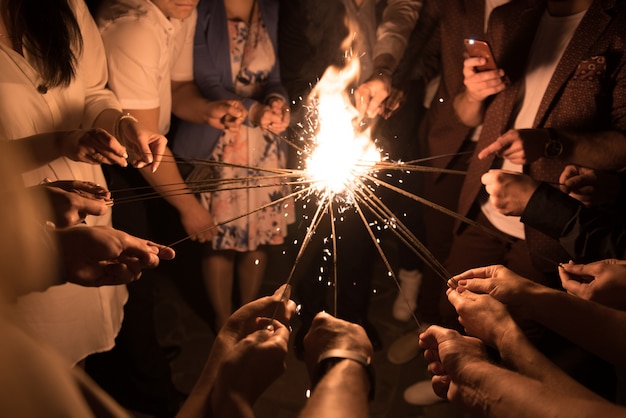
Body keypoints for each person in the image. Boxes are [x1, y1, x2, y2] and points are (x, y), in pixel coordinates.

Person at [92, 0, 247, 413]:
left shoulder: (181, 9)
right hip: (115, 166)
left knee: (143, 276)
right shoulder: (135, 30)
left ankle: (141, 361)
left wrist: (208, 110)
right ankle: (147, 390)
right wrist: (189, 207)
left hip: (150, 156)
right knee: (128, 280)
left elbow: (178, 92)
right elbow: (138, 144)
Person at [0, 0, 172, 367]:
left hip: (88, 225)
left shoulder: (67, 6)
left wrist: (121, 125)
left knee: (79, 360)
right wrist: (59, 142)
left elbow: (93, 92)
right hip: (18, 236)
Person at [171, 0, 294, 330]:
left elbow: (274, 74)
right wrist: (254, 111)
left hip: (264, 149)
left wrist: (277, 99)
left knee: (257, 237)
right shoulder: (202, 7)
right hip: (221, 140)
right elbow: (207, 80)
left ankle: (247, 314)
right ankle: (223, 321)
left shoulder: (269, 6)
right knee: (219, 240)